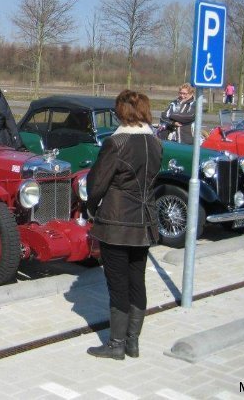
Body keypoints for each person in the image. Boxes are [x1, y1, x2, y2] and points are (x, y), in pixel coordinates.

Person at [86, 90, 162, 360]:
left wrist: (91, 206)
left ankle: (116, 344)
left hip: (117, 222)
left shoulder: (116, 142)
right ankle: (132, 343)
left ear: (121, 112)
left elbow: (97, 182)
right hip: (144, 221)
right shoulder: (156, 143)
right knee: (137, 281)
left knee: (118, 284)